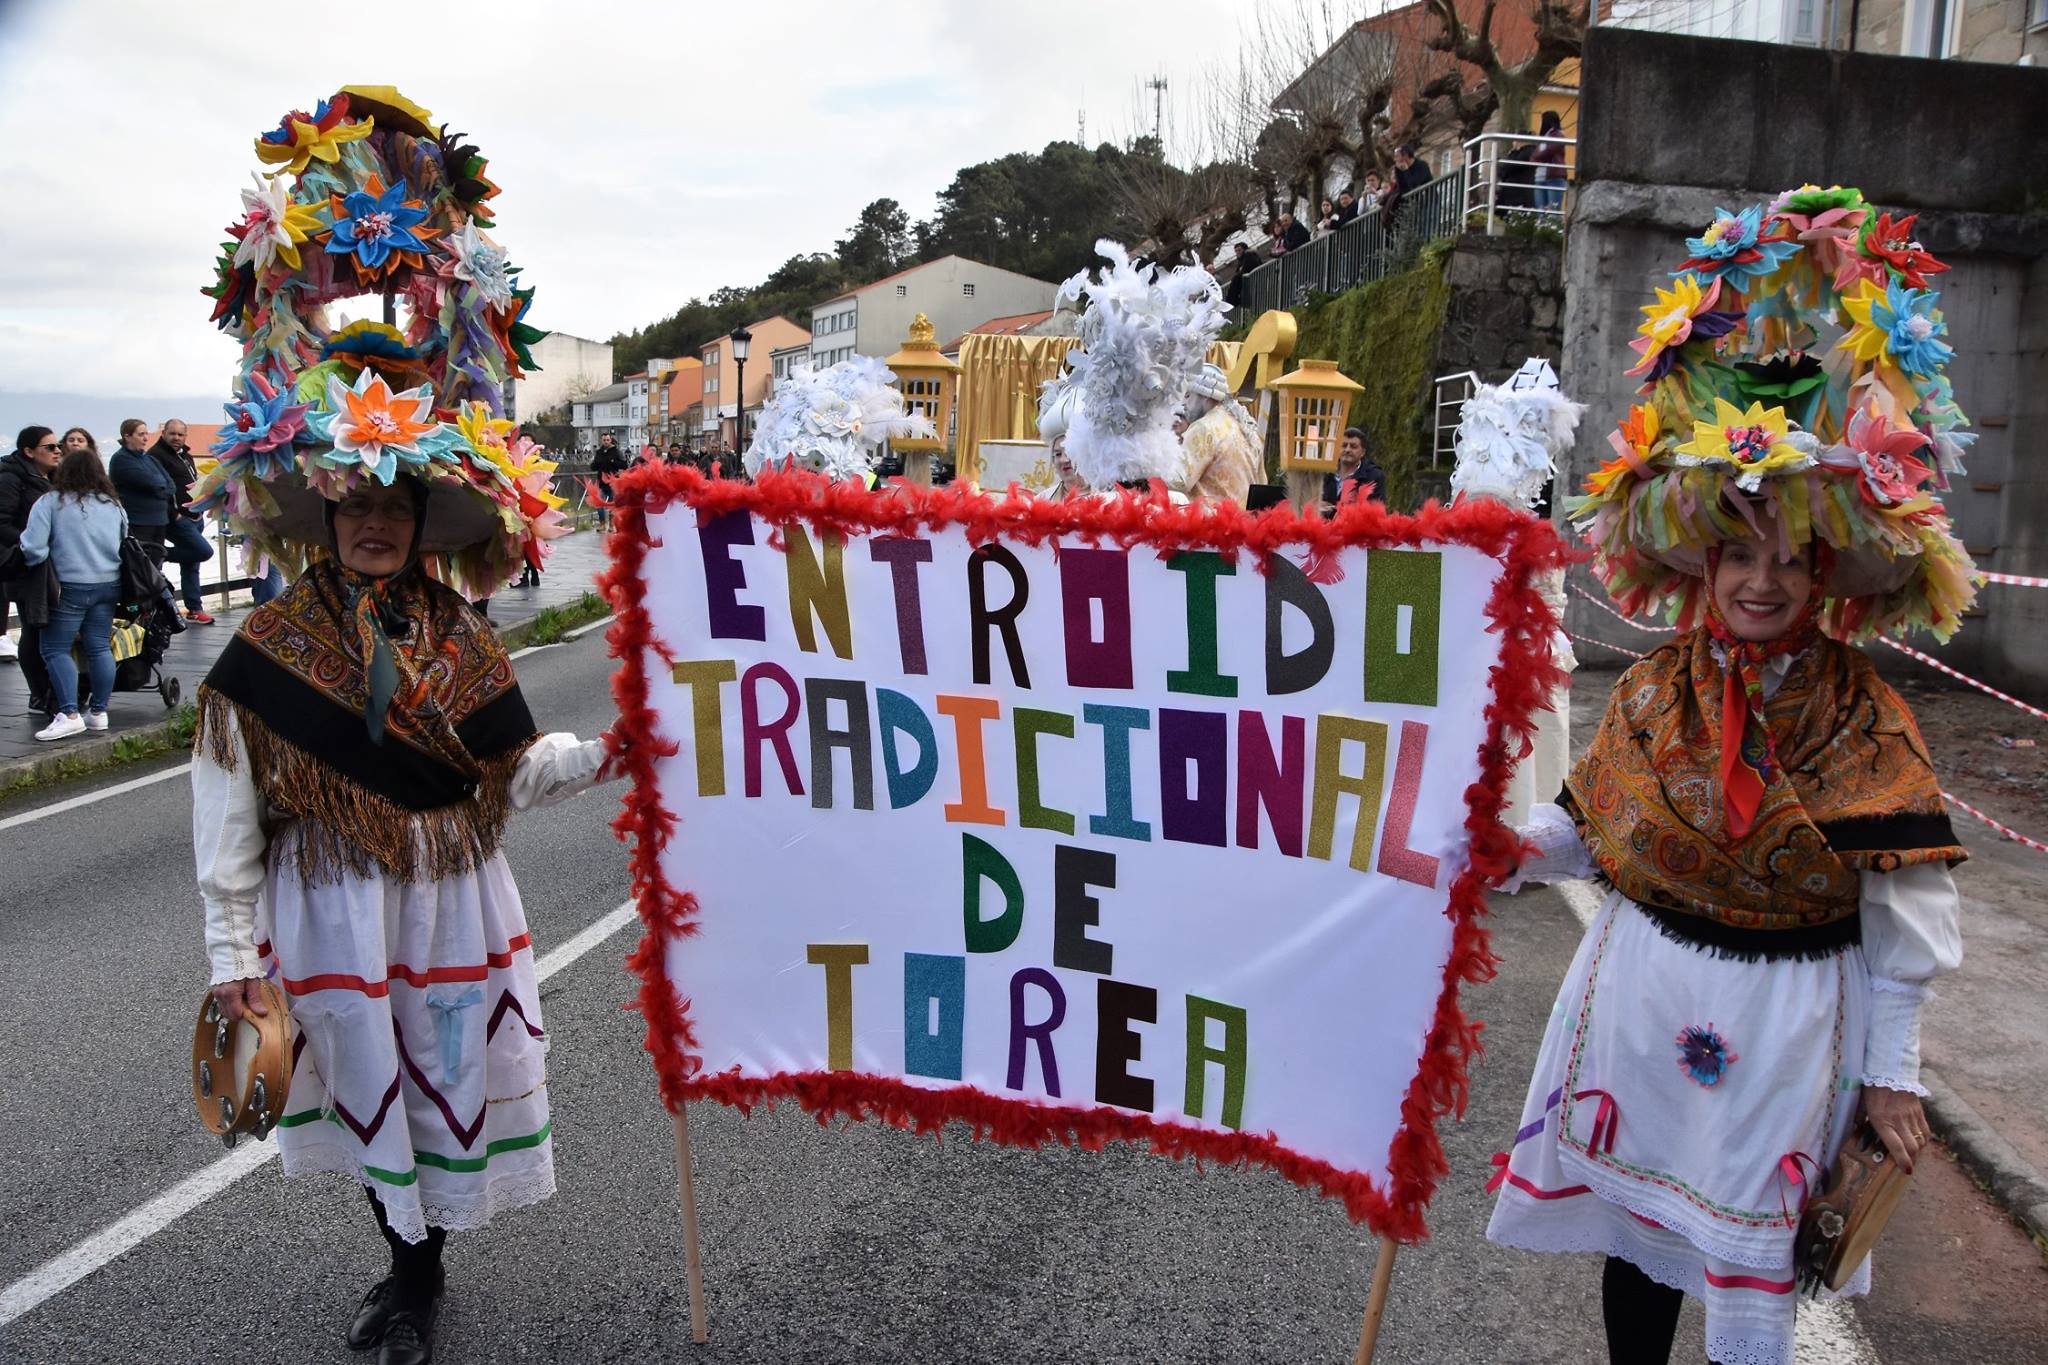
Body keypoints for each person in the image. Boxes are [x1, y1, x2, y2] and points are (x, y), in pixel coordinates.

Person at [1486, 184, 1979, 1365]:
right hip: (1635, 986)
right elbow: (1583, 831)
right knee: (1637, 1233)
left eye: (1788, 562)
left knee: (1751, 1252)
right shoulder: (1656, 690)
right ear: (1699, 562)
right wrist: (1492, 850)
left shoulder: (1862, 717)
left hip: (1784, 1015)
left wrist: (1890, 1082)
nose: (1760, 583)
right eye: (1738, 555)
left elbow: (1901, 909)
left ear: (1824, 583)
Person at [195, 474, 622, 1365]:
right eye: (358, 507)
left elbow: (517, 769)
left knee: (444, 1083)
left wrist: (613, 752)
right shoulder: (269, 644)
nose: (377, 524)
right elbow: (227, 809)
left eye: (396, 509)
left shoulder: (461, 632)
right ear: (328, 519)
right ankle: (411, 1271)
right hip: (330, 907)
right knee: (366, 1086)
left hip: (451, 902)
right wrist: (231, 949)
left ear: (422, 526)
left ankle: (417, 1276)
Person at [18, 447, 127, 741]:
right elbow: (124, 539)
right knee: (99, 647)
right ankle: (99, 713)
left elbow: (33, 548)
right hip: (108, 583)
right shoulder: (112, 504)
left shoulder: (51, 502)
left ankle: (68, 714)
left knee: (54, 648)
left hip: (68, 586)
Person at [1, 426, 63, 693]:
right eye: (49, 447)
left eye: (57, 445)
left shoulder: (48, 477)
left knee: (45, 626)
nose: (57, 451)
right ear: (28, 451)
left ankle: (48, 689)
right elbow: (2, 522)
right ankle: (38, 693)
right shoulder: (11, 479)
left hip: (48, 562)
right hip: (24, 563)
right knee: (32, 626)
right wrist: (32, 543)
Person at [150, 418, 217, 623]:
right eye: (172, 434)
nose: (176, 438)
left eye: (180, 434)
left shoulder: (185, 455)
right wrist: (174, 514)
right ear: (164, 434)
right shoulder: (156, 457)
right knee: (203, 551)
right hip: (177, 518)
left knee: (191, 562)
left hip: (194, 515)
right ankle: (159, 554)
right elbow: (158, 490)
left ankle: (194, 608)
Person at [1177, 364, 1262, 506]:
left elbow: (1179, 480)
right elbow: (1261, 483)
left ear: (1205, 397)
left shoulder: (1204, 427)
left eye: (1187, 396)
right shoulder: (1243, 425)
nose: (1183, 403)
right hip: (1244, 522)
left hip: (1210, 522)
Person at [1322, 427, 1385, 508]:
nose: (1347, 450)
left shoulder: (1374, 477)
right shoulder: (1325, 472)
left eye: (1353, 446)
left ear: (1363, 452)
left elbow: (1376, 511)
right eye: (1344, 446)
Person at [1530, 110, 1567, 213]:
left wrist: (1537, 158)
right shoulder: (1544, 137)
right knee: (1540, 212)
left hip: (1553, 176)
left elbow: (1551, 149)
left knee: (1553, 212)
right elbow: (1534, 155)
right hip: (1539, 177)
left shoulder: (1558, 135)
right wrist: (1536, 158)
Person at [590, 433, 628, 529]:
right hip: (601, 481)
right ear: (601, 441)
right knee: (598, 502)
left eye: (607, 440)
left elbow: (624, 465)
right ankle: (602, 523)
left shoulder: (616, 451)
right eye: (604, 440)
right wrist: (595, 464)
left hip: (612, 481)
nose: (606, 442)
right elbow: (593, 466)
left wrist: (613, 462)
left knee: (612, 503)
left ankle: (611, 524)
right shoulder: (599, 452)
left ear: (611, 440)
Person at [1221, 241, 1257, 309]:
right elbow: (1239, 271)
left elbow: (1245, 269)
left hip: (1253, 282)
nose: (1238, 252)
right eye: (1236, 251)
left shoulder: (1249, 255)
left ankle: (1231, 301)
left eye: (1239, 250)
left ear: (1244, 249)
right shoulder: (1241, 260)